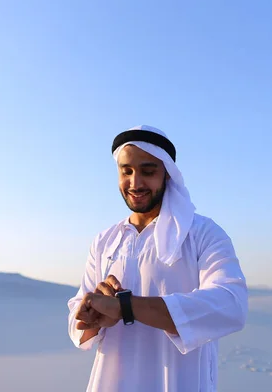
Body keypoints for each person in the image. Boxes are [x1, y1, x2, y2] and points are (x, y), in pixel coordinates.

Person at [67, 125, 248, 392]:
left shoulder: (203, 233)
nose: (135, 183)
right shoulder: (104, 240)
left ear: (168, 175)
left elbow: (231, 304)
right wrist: (90, 314)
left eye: (148, 171)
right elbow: (77, 320)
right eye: (126, 171)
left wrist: (125, 307)